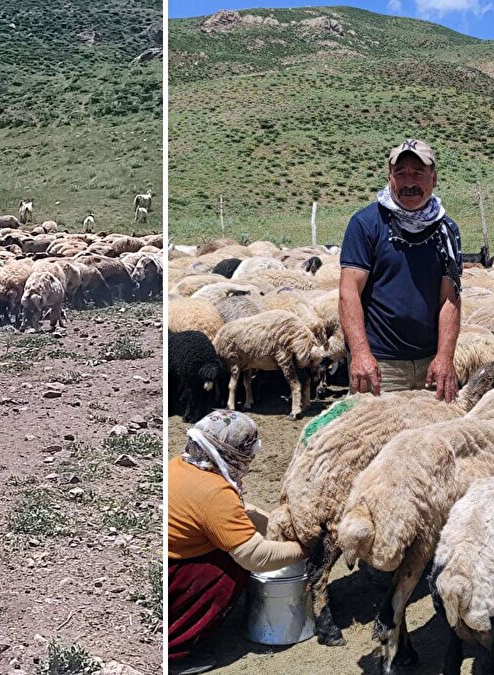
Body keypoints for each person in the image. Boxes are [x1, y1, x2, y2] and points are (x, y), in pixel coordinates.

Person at [167, 410, 306, 674]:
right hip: (174, 570)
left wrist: (278, 524)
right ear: (233, 452)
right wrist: (303, 548)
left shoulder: (182, 466)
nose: (251, 459)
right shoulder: (215, 493)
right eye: (248, 452)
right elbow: (255, 556)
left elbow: (241, 513)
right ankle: (175, 648)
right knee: (228, 571)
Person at [338, 138, 462, 403]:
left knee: (433, 440)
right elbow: (349, 291)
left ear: (433, 178)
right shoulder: (366, 224)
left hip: (431, 364)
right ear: (390, 178)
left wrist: (445, 357)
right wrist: (360, 354)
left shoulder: (446, 230)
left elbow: (450, 298)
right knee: (374, 440)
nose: (409, 182)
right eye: (400, 173)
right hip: (381, 366)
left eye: (418, 173)